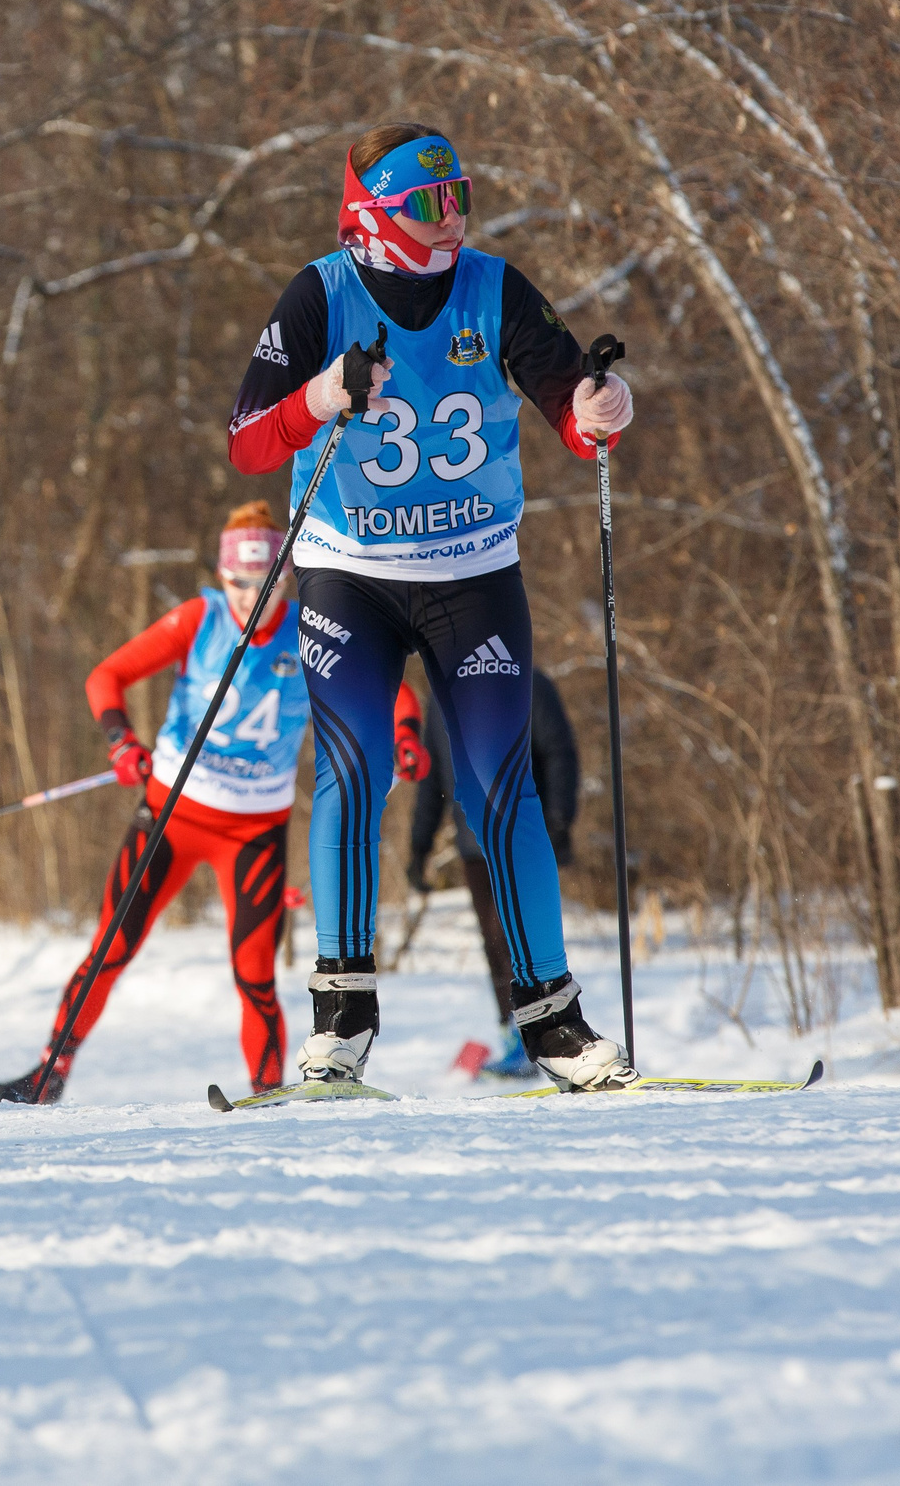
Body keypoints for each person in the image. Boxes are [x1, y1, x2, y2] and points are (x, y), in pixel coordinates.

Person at [228, 121, 639, 1091]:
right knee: (353, 768)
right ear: (371, 211)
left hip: (471, 574)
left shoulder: (492, 287)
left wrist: (594, 412)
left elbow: (565, 400)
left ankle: (553, 1026)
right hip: (348, 573)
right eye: (426, 204)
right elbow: (249, 441)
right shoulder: (320, 293)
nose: (449, 219)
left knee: (501, 786)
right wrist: (323, 394)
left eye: (459, 196)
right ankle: (339, 1021)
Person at [0, 501, 421, 1103]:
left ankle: (267, 1091)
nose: (251, 596)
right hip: (171, 815)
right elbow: (104, 677)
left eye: (265, 582)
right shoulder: (200, 619)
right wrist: (122, 742)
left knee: (255, 977)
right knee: (110, 948)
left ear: (286, 577)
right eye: (238, 583)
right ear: (222, 579)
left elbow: (393, 692)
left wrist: (404, 737)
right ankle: (48, 1073)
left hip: (254, 833)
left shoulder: (310, 628)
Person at [399, 674, 578, 1075]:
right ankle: (513, 1033)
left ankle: (546, 1027)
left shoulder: (528, 683)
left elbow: (559, 752)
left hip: (522, 836)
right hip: (471, 844)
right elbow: (432, 778)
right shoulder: (439, 700)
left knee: (521, 937)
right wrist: (419, 848)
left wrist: (561, 822)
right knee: (494, 941)